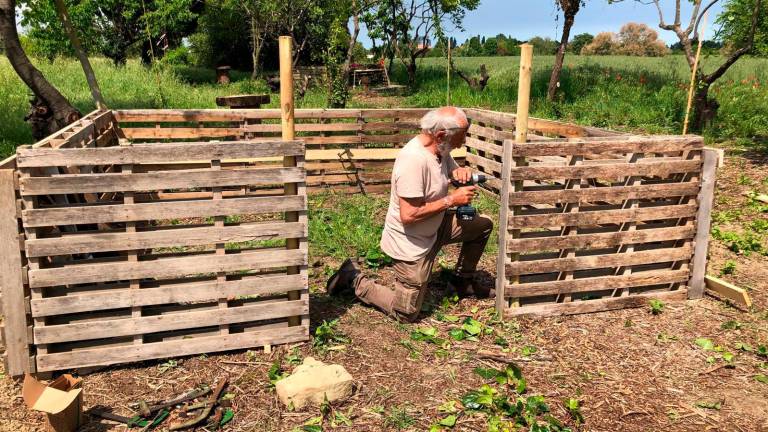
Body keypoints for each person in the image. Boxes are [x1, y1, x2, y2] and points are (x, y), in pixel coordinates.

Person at [325, 106, 493, 322]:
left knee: (482, 226)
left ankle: (462, 281)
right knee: (406, 313)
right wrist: (452, 199)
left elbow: (448, 169)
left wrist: (458, 172)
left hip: (435, 225)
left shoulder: (439, 148)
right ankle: (353, 279)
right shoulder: (413, 160)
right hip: (410, 241)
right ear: (441, 135)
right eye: (461, 137)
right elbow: (409, 215)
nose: (463, 142)